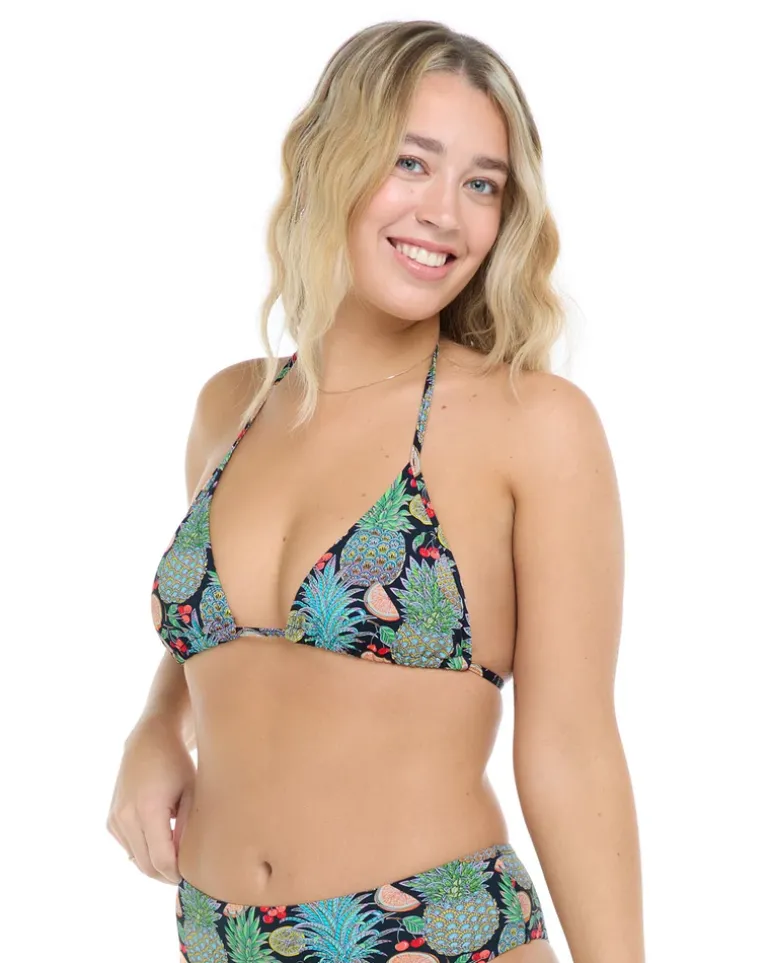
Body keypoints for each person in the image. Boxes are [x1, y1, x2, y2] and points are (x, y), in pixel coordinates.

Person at [106, 19, 644, 963]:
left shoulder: (531, 422)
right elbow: (234, 635)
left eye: (482, 184)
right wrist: (155, 725)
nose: (445, 213)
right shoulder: (232, 408)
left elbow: (572, 746)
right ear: (331, 157)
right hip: (217, 937)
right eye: (411, 163)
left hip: (433, 934)